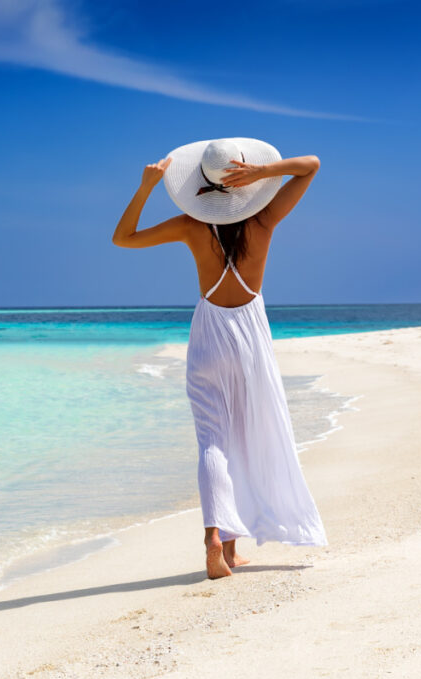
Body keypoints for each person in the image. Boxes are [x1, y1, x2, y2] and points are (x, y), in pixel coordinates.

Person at [111, 137, 328, 580]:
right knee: (246, 438)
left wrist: (147, 186)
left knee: (214, 441)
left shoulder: (191, 226)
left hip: (210, 335)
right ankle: (229, 548)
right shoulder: (265, 220)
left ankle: (218, 540)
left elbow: (122, 238)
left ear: (201, 188)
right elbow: (311, 165)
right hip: (249, 339)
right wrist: (263, 174)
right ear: (243, 182)